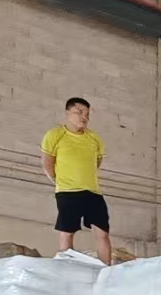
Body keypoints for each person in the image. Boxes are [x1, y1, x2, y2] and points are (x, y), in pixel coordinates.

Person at [41, 97, 112, 265]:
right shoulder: (55, 135)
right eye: (79, 112)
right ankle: (66, 268)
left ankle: (106, 269)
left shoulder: (94, 138)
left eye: (87, 114)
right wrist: (60, 181)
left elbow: (96, 162)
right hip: (68, 192)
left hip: (93, 192)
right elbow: (47, 163)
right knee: (67, 231)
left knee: (102, 232)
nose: (84, 117)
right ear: (68, 113)